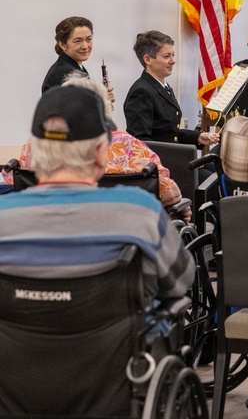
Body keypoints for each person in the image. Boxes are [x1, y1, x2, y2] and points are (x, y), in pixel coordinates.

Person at [0, 85, 194, 301]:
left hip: (21, 333)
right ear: (101, 154)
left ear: (33, 152)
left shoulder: (4, 217)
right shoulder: (140, 210)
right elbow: (180, 280)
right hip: (120, 332)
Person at [8, 73, 192, 221]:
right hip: (124, 234)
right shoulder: (130, 146)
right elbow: (168, 192)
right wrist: (179, 207)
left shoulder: (33, 147)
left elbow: (11, 184)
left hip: (43, 227)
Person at [123, 30, 219, 147]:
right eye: (166, 56)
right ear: (148, 59)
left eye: (172, 55)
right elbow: (140, 142)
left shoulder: (162, 86)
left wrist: (198, 137)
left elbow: (168, 132)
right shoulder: (141, 92)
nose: (173, 61)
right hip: (158, 162)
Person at [41, 17, 115, 107]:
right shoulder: (65, 73)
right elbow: (76, 111)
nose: (85, 46)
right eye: (78, 41)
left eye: (88, 39)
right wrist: (101, 101)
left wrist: (101, 97)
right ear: (62, 44)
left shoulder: (76, 67)